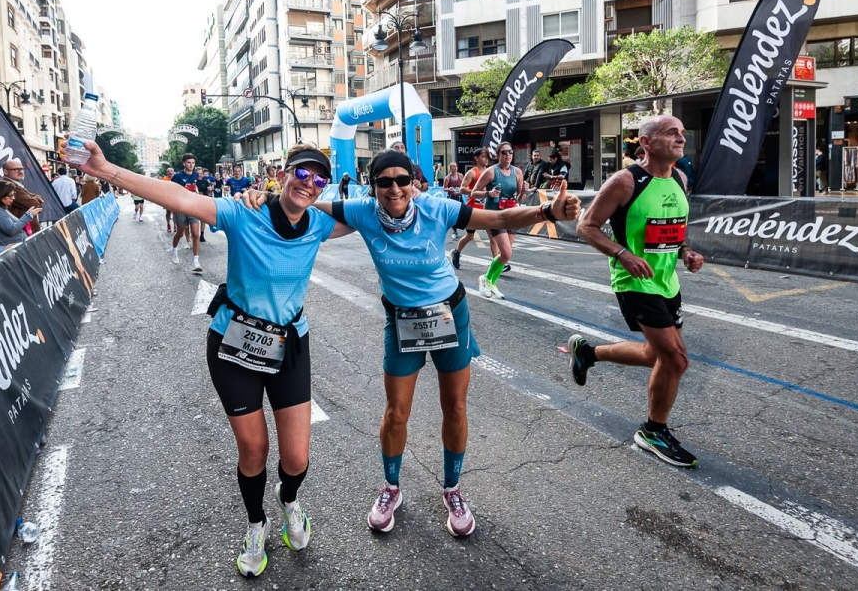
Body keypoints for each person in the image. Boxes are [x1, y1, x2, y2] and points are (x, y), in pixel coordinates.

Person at [242, 150, 580, 538]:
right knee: (396, 411)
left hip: (450, 315)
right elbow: (303, 202)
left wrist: (548, 213)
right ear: (373, 188)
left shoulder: (437, 209)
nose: (394, 188)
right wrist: (261, 198)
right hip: (402, 321)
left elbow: (500, 218)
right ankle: (391, 487)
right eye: (384, 182)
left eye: (402, 179)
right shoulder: (363, 211)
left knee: (454, 405)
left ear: (414, 181)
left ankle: (452, 489)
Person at [72, 139, 344, 579]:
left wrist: (408, 195)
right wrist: (106, 170)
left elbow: (379, 211)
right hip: (233, 346)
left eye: (319, 178)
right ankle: (257, 523)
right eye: (301, 172)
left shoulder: (318, 224)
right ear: (284, 172)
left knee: (295, 459)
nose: (308, 183)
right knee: (254, 450)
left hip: (289, 344)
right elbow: (179, 198)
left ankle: (290, 501)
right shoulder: (245, 212)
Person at [571, 115, 706, 468]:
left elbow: (673, 230)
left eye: (682, 132)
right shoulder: (626, 181)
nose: (680, 138)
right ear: (646, 142)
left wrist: (685, 253)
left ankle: (588, 352)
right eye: (671, 133)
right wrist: (622, 254)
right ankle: (653, 430)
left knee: (654, 356)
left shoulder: (679, 178)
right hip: (634, 281)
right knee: (676, 359)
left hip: (666, 282)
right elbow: (586, 226)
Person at [471, 141, 525, 299]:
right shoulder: (490, 172)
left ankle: (491, 282)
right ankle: (485, 278)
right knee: (506, 254)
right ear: (498, 155)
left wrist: (524, 191)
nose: (508, 155)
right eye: (504, 152)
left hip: (511, 215)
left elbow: (520, 198)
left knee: (505, 254)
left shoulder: (518, 172)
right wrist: (489, 194)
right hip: (494, 216)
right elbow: (474, 193)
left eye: (510, 152)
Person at [449, 148, 495, 270]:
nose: (486, 159)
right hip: (473, 209)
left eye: (487, 157)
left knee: (493, 235)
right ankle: (456, 252)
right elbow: (462, 189)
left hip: (487, 208)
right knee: (470, 236)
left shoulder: (491, 172)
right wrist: (477, 192)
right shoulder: (472, 172)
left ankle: (497, 264)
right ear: (477, 158)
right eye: (484, 157)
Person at [0, 179, 42, 257]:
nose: (13, 198)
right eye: (10, 195)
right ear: (0, 195)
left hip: (14, 250)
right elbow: (11, 229)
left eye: (13, 195)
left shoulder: (2, 209)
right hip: (9, 252)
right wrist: (28, 216)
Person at [170, 153, 203, 274]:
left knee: (195, 233)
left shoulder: (195, 174)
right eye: (189, 162)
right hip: (180, 208)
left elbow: (195, 187)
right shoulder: (178, 176)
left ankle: (196, 262)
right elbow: (171, 190)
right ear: (184, 163)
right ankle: (174, 250)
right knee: (180, 233)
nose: (191, 165)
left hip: (193, 207)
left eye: (193, 163)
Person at [0, 160, 45, 233]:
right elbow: (34, 204)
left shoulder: (16, 185)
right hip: (24, 231)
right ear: (5, 172)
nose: (20, 172)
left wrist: (34, 198)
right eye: (16, 170)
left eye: (22, 169)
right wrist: (35, 199)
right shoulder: (10, 186)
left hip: (26, 229)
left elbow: (36, 200)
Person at [442, 162, 464, 238]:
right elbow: (444, 188)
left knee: (461, 214)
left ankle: (460, 227)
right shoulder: (447, 178)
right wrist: (449, 189)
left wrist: (462, 188)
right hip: (452, 198)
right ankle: (455, 231)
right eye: (453, 166)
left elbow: (464, 185)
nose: (455, 168)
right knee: (453, 215)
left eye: (456, 166)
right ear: (450, 168)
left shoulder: (460, 176)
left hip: (459, 198)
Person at [163, 167, 177, 232]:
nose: (170, 172)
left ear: (174, 172)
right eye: (169, 171)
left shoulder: (177, 178)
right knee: (168, 212)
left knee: (175, 212)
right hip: (167, 198)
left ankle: (175, 225)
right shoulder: (165, 179)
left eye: (171, 171)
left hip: (175, 197)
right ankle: (168, 224)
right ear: (167, 173)